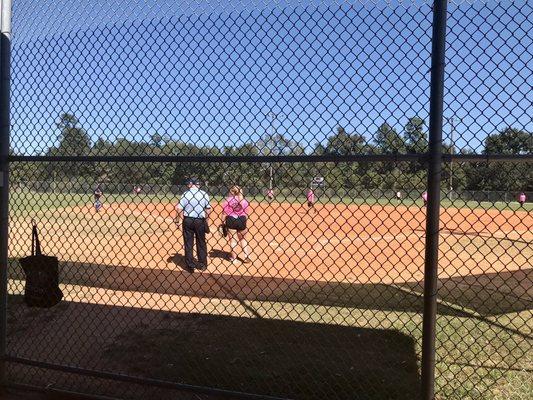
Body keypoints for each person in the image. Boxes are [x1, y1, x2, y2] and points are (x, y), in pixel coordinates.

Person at [175, 178, 211, 272]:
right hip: (200, 220)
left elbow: (179, 209)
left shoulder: (185, 194)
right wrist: (206, 221)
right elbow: (207, 209)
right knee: (201, 242)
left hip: (188, 220)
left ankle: (190, 265)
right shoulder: (204, 194)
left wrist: (177, 221)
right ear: (198, 185)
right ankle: (202, 264)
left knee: (188, 243)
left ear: (191, 184)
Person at [219, 185, 251, 263]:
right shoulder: (244, 201)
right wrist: (243, 221)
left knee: (233, 241)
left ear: (231, 192)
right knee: (243, 239)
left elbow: (224, 213)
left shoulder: (228, 200)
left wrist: (222, 223)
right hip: (241, 219)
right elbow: (246, 213)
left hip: (231, 220)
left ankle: (234, 259)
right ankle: (246, 256)